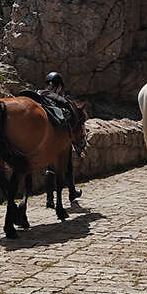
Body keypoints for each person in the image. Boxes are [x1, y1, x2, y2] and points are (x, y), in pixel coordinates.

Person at [40, 71, 83, 207]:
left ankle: (49, 199)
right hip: (59, 137)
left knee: (49, 167)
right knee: (68, 164)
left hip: (43, 138)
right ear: (59, 86)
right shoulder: (60, 100)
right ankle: (71, 192)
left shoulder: (40, 96)